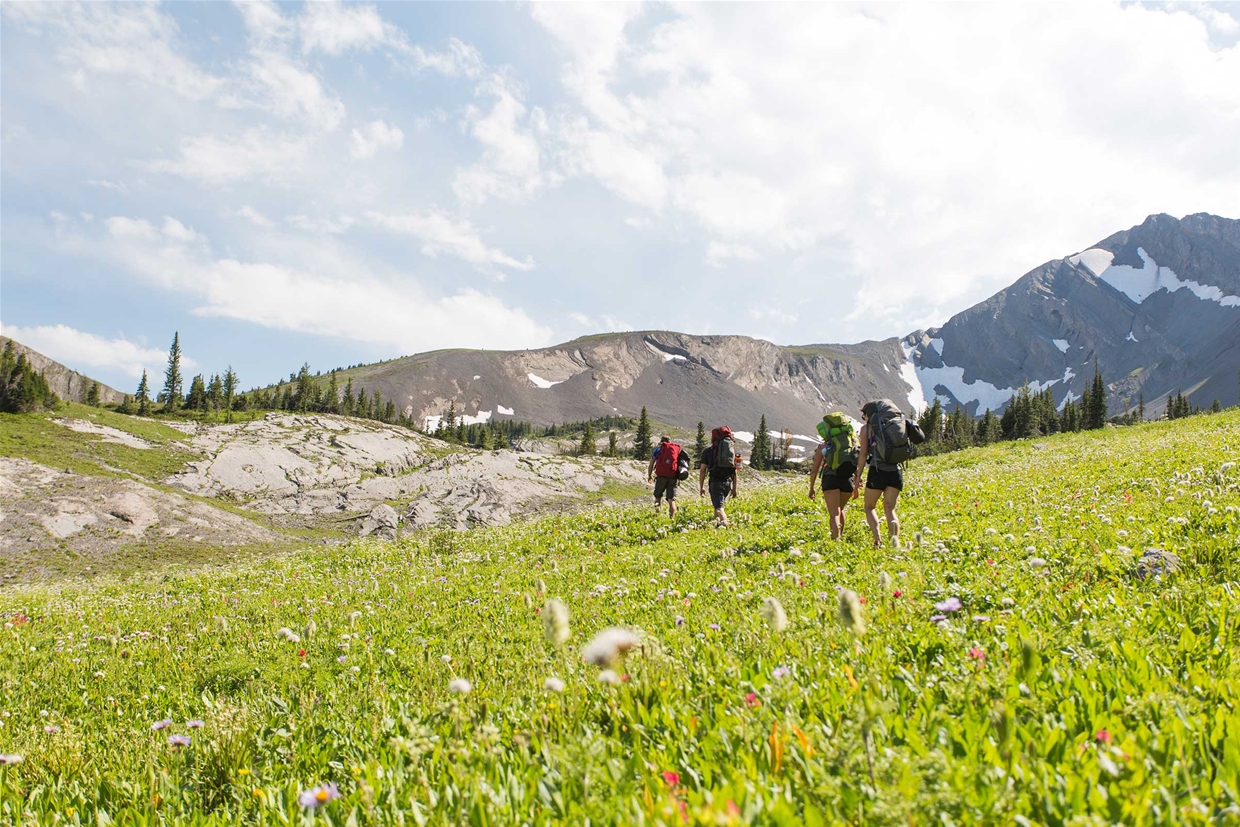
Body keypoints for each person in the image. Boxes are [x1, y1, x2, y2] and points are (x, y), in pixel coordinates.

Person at [853, 400, 904, 547]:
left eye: (864, 416)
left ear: (869, 415)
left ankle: (878, 540)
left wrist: (858, 477)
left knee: (869, 507)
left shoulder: (866, 429)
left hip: (877, 471)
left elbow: (863, 454)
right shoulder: (894, 426)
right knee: (890, 508)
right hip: (895, 471)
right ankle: (895, 542)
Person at [808, 435, 855, 540]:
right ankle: (840, 536)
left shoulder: (823, 447)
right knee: (840, 509)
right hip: (847, 481)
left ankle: (835, 540)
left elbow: (814, 470)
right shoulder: (849, 445)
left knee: (834, 514)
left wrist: (811, 488)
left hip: (830, 479)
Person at [699, 426, 739, 526]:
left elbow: (703, 471)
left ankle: (726, 525)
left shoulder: (708, 452)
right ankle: (717, 525)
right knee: (718, 505)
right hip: (727, 483)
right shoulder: (732, 453)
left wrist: (701, 486)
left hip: (715, 482)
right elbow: (735, 472)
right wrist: (734, 488)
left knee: (719, 508)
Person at [647, 435, 684, 518]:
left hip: (661, 476)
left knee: (658, 497)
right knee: (671, 499)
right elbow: (678, 465)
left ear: (661, 442)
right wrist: (679, 479)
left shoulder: (658, 450)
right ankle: (672, 519)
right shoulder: (675, 450)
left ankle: (656, 517)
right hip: (673, 477)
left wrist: (649, 476)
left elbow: (651, 464)